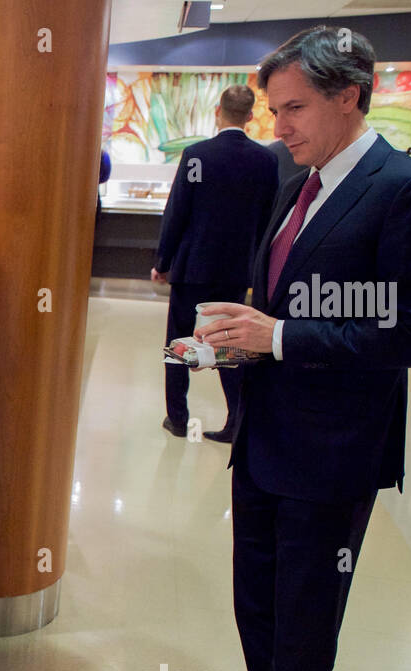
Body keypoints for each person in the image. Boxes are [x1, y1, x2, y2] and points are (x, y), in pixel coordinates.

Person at [184, 26, 411, 671]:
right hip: (266, 432)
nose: (280, 126)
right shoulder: (290, 178)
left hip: (334, 452)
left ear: (350, 96)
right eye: (273, 110)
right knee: (257, 597)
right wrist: (228, 339)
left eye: (294, 108)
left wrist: (283, 338)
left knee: (305, 617)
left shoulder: (406, 190)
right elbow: (284, 293)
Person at [152, 85, 278, 442]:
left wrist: (163, 260)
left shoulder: (197, 156)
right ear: (251, 116)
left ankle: (177, 418)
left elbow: (177, 212)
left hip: (192, 267)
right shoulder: (266, 161)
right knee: (229, 344)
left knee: (178, 340)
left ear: (217, 110)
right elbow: (268, 220)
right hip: (237, 270)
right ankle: (236, 420)